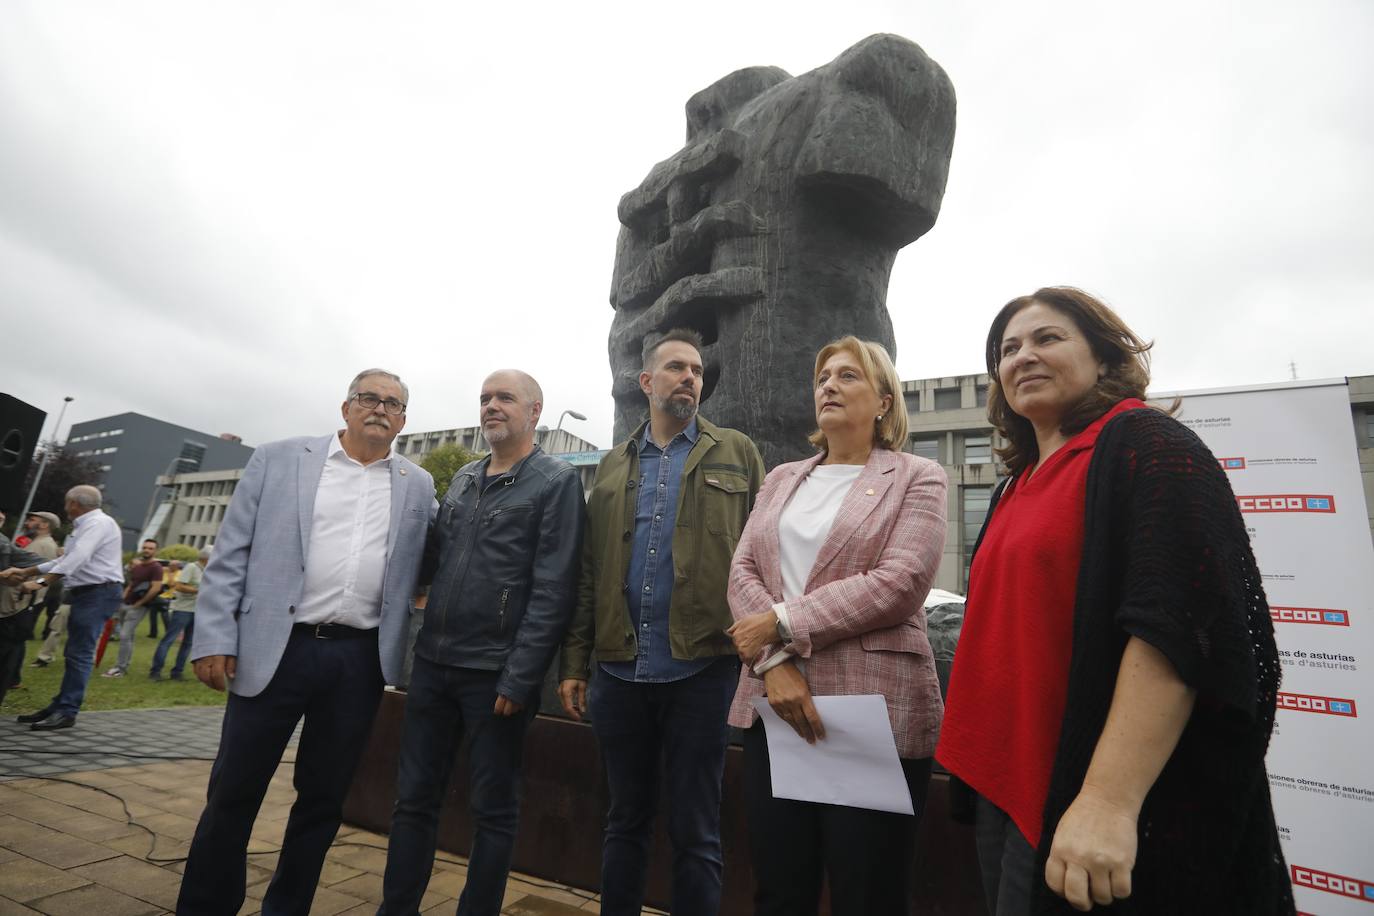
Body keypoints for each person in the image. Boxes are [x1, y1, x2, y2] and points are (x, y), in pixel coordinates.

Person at [936, 287, 1292, 915]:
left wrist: (1107, 799)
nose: (1023, 356)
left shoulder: (1147, 445)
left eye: (1048, 339)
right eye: (1008, 349)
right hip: (1001, 781)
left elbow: (1181, 630)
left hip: (1073, 793)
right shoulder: (1012, 485)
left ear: (1104, 359)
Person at [176, 368, 435, 916]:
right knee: (234, 790)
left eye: (393, 403)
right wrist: (214, 637)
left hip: (359, 659)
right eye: (368, 398)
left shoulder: (418, 484)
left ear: (404, 421)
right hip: (276, 647)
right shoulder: (278, 459)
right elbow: (230, 556)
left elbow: (429, 560)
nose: (380, 409)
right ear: (345, 408)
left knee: (322, 799)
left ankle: (287, 907)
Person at [726, 336, 948, 916]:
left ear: (883, 400)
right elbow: (742, 570)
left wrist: (779, 622)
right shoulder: (781, 478)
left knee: (868, 894)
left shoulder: (917, 476)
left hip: (872, 712)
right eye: (823, 376)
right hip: (774, 706)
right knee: (779, 889)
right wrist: (774, 665)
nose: (828, 385)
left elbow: (900, 583)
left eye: (848, 376)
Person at [558, 329, 764, 916]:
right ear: (646, 382)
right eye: (676, 368)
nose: (690, 379)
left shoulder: (738, 452)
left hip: (702, 670)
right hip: (620, 671)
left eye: (697, 371)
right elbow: (591, 572)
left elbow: (762, 556)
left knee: (697, 830)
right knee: (624, 822)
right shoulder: (612, 465)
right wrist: (576, 663)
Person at [378, 369, 585, 916]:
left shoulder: (555, 482)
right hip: (433, 664)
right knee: (413, 800)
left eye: (505, 398)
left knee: (493, 809)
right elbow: (434, 562)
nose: (492, 406)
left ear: (535, 412)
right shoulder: (465, 478)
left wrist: (520, 676)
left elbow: (554, 587)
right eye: (485, 398)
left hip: (495, 675)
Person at [2, 485, 124, 730]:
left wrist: (39, 583)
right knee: (74, 653)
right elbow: (65, 560)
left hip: (97, 592)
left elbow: (76, 560)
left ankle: (67, 710)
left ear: (73, 504)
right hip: (91, 592)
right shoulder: (89, 525)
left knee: (79, 654)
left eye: (67, 502)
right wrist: (26, 571)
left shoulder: (97, 524)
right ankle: (60, 705)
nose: (65, 507)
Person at [102, 538, 165, 678]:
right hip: (126, 604)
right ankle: (124, 665)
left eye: (150, 548)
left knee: (124, 635)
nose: (147, 550)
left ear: (156, 551)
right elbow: (131, 584)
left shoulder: (156, 567)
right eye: (145, 547)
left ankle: (120, 668)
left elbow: (156, 588)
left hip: (138, 607)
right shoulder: (138, 566)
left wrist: (140, 603)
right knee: (128, 636)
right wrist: (122, 600)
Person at [149, 548, 207, 680]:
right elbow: (179, 586)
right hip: (183, 609)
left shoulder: (207, 570)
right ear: (206, 558)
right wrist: (199, 590)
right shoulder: (192, 567)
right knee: (168, 640)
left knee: (188, 643)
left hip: (197, 610)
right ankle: (156, 671)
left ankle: (177, 672)